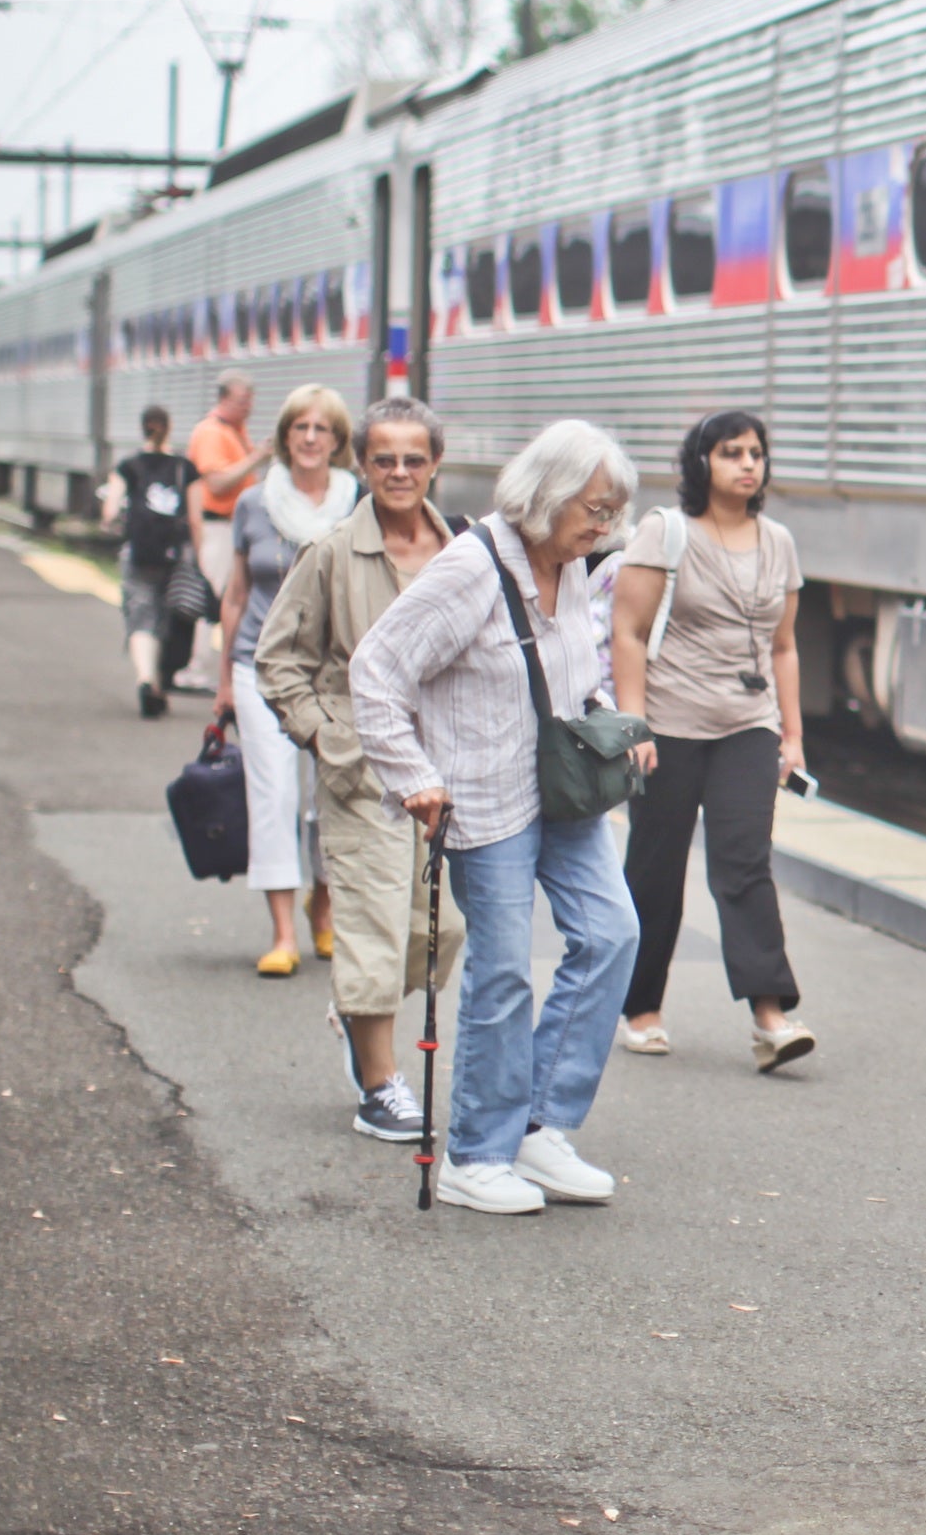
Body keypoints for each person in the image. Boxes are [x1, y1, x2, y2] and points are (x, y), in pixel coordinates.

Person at [353, 419, 644, 1217]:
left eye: (612, 511)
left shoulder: (571, 564)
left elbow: (573, 667)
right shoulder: (470, 569)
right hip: (483, 797)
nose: (604, 527)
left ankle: (539, 1125)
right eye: (593, 509)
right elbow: (376, 671)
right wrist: (411, 775)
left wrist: (610, 721)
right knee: (503, 970)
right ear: (545, 499)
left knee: (613, 933)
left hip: (563, 787)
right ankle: (476, 1153)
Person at [256, 396, 465, 1143]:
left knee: (432, 932)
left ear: (436, 464)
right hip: (366, 772)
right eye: (385, 459)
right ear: (362, 465)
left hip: (450, 772)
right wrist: (327, 738)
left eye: (415, 459)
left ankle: (358, 1014)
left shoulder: (466, 554)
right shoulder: (333, 553)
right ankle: (379, 1085)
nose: (400, 472)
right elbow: (278, 660)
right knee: (374, 926)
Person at [611, 410, 814, 1072]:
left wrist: (793, 734)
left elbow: (783, 647)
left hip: (746, 726)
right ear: (703, 463)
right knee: (656, 866)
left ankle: (771, 1016)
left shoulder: (778, 542)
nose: (748, 464)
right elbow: (629, 632)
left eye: (756, 453)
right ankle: (641, 1009)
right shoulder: (665, 533)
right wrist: (634, 722)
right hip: (668, 726)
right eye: (731, 453)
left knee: (744, 860)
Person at [221, 385, 356, 976]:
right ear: (283, 436)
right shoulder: (253, 503)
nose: (309, 438)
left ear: (337, 440)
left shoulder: (359, 503)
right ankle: (282, 934)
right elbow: (235, 593)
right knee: (274, 794)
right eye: (299, 426)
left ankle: (321, 907)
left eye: (321, 428)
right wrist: (225, 677)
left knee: (325, 796)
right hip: (259, 667)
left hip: (332, 675)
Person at [98, 405, 195, 718]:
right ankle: (161, 681)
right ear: (169, 427)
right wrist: (200, 561)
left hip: (140, 553)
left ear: (143, 428)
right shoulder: (184, 467)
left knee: (141, 618)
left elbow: (110, 512)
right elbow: (196, 519)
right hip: (175, 556)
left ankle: (146, 679)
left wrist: (113, 523)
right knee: (167, 619)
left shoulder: (128, 465)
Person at [183, 373, 263, 689]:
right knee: (209, 597)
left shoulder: (235, 430)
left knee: (235, 597)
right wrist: (257, 458)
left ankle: (227, 666)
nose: (249, 407)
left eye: (250, 401)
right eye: (242, 401)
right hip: (216, 526)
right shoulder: (211, 433)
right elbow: (216, 483)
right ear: (223, 399)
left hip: (233, 526)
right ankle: (194, 666)